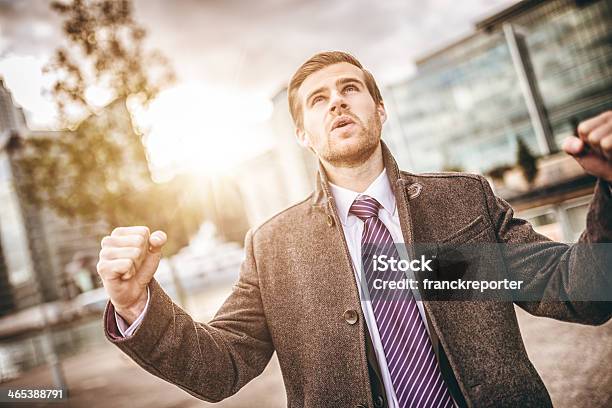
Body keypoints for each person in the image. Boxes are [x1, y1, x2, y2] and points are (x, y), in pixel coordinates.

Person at [97, 51, 612, 408]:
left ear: (380, 110)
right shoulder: (274, 247)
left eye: (350, 89)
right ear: (301, 133)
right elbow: (222, 368)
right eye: (318, 100)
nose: (337, 102)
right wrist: (136, 306)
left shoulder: (463, 201)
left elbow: (580, 290)